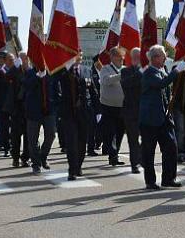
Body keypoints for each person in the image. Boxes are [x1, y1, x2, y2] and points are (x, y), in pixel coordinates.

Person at [139, 45, 185, 190]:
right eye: (162, 56)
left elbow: (167, 90)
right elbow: (162, 84)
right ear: (154, 58)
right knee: (149, 151)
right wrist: (176, 71)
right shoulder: (148, 73)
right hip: (150, 119)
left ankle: (168, 178)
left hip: (164, 118)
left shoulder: (162, 71)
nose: (165, 58)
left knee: (171, 147)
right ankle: (150, 181)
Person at [57, 52, 97, 180]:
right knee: (71, 142)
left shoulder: (86, 70)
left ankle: (78, 165)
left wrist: (98, 110)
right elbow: (56, 89)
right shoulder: (62, 71)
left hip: (84, 112)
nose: (79, 56)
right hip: (68, 112)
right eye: (75, 54)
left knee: (82, 142)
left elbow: (93, 91)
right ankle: (72, 169)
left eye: (80, 54)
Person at [23, 65, 59, 174]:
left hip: (49, 110)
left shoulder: (51, 72)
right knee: (32, 139)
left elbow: (56, 89)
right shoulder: (29, 72)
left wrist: (57, 105)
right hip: (33, 111)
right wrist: (37, 76)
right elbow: (26, 85)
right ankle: (36, 163)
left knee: (51, 135)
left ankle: (43, 157)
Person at [98, 47, 126, 167]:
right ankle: (112, 154)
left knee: (120, 132)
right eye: (120, 57)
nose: (122, 59)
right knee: (110, 132)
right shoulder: (106, 69)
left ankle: (115, 155)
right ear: (113, 57)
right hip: (108, 106)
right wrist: (121, 75)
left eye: (123, 57)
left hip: (122, 106)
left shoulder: (124, 69)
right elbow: (106, 81)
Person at [0, 53, 19, 160]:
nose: (11, 61)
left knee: (15, 128)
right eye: (9, 59)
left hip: (16, 105)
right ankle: (6, 148)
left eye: (13, 59)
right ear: (5, 60)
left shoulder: (18, 72)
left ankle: (13, 146)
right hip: (3, 105)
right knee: (4, 127)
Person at [120, 47, 143, 173]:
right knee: (133, 139)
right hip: (130, 111)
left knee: (147, 138)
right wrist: (140, 72)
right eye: (135, 57)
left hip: (145, 111)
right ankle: (134, 164)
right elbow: (125, 84)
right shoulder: (126, 71)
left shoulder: (148, 71)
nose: (137, 59)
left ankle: (142, 158)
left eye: (139, 57)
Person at [10, 52, 30, 167]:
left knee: (28, 136)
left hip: (28, 109)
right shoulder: (14, 72)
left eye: (25, 59)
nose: (23, 61)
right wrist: (15, 67)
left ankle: (25, 158)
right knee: (16, 136)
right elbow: (7, 76)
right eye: (21, 59)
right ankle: (15, 158)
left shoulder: (31, 72)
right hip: (17, 109)